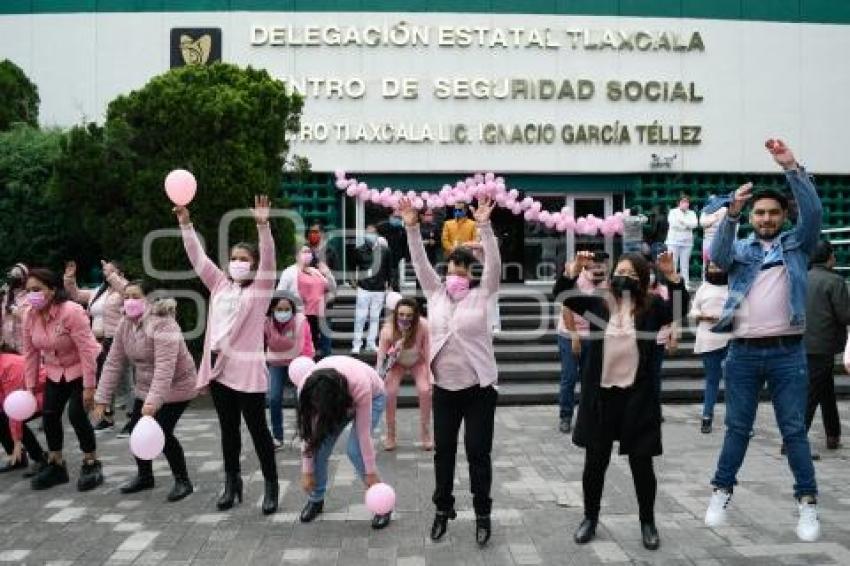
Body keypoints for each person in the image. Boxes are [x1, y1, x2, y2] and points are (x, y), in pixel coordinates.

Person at [704, 139, 822, 543]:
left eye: (773, 213)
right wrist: (731, 213)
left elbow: (815, 213)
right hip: (742, 355)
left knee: (794, 431)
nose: (767, 218)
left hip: (789, 353)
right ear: (752, 215)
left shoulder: (797, 244)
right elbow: (717, 255)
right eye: (760, 212)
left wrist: (791, 167)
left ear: (782, 216)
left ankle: (807, 504)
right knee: (738, 428)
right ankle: (721, 491)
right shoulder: (740, 248)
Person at [553, 250, 688, 551]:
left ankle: (647, 522)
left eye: (631, 274)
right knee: (594, 464)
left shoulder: (652, 307)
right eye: (620, 272)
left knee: (642, 465)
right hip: (601, 398)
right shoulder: (600, 304)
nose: (623, 278)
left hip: (637, 397)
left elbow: (679, 311)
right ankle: (590, 518)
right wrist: (571, 271)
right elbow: (563, 296)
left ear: (642, 280)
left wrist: (673, 278)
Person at [402, 195, 499, 547]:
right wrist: (412, 228)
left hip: (478, 391)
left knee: (477, 453)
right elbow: (419, 261)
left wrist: (485, 227)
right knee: (444, 453)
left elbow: (494, 266)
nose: (456, 275)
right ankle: (443, 510)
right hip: (444, 389)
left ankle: (483, 514)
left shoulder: (484, 294)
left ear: (472, 275)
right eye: (451, 270)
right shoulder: (435, 294)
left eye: (463, 270)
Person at [175, 195, 279, 515]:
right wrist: (185, 224)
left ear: (253, 263)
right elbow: (197, 257)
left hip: (246, 372)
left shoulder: (260, 289)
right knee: (228, 431)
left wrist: (263, 226)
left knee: (259, 432)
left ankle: (271, 486)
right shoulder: (219, 284)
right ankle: (232, 484)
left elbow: (270, 261)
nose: (237, 262)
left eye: (244, 258)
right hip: (219, 368)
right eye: (233, 257)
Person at [93, 280, 197, 502]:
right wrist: (101, 398)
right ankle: (145, 476)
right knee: (135, 429)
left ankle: (183, 481)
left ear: (150, 299)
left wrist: (153, 402)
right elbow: (113, 363)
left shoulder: (164, 324)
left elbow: (165, 367)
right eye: (126, 297)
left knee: (162, 431)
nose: (130, 301)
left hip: (177, 385)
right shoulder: (125, 324)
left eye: (135, 296)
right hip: (145, 386)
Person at [22, 268, 103, 491]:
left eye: (37, 289)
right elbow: (29, 353)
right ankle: (57, 464)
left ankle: (91, 462)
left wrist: (89, 387)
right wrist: (29, 387)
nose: (32, 295)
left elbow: (87, 351)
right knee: (49, 416)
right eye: (28, 291)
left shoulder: (71, 312)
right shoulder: (29, 315)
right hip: (54, 371)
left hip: (83, 367)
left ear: (53, 289)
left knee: (77, 414)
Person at [292, 355, 390, 529]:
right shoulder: (307, 390)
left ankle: (382, 502)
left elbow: (363, 434)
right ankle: (316, 500)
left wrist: (370, 471)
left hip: (372, 396)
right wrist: (307, 471)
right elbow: (309, 434)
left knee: (355, 450)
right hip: (334, 401)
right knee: (319, 449)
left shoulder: (360, 385)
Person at [64, 259, 131, 433]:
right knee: (104, 379)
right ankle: (107, 417)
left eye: (111, 271)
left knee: (123, 380)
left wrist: (112, 276)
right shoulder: (98, 292)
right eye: (105, 271)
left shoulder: (125, 291)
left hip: (117, 340)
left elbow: (126, 291)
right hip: (98, 341)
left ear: (120, 274)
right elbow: (77, 295)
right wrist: (70, 279)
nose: (106, 273)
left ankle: (134, 417)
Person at [802, 240, 849, 451]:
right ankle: (794, 440)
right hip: (824, 343)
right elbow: (845, 314)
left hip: (802, 342)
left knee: (825, 390)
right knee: (812, 393)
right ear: (829, 257)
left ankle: (833, 434)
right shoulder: (835, 280)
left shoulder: (801, 278)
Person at [554, 252, 607, 434]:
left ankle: (587, 416)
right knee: (569, 377)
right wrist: (574, 336)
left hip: (593, 336)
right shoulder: (577, 279)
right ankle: (566, 416)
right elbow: (567, 308)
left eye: (602, 265)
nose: (599, 268)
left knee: (590, 379)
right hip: (570, 334)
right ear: (586, 266)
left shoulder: (606, 284)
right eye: (595, 265)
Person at [377, 297, 431, 451]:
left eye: (409, 315)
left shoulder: (424, 326)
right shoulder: (388, 330)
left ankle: (426, 434)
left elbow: (428, 353)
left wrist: (431, 375)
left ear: (415, 315)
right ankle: (390, 434)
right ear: (395, 314)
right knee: (390, 392)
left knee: (425, 390)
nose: (404, 318)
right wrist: (395, 349)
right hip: (396, 364)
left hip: (417, 361)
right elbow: (382, 359)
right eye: (401, 314)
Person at [265, 292, 314, 449]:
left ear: (292, 309)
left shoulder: (300, 321)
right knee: (273, 397)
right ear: (273, 308)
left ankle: (305, 435)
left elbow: (305, 344)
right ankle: (277, 437)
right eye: (279, 309)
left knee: (301, 398)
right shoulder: (266, 322)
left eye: (287, 309)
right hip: (276, 361)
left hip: (298, 361)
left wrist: (306, 363)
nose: (283, 312)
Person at [689, 263, 731, 433]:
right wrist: (702, 316)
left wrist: (726, 317)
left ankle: (735, 420)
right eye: (712, 267)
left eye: (719, 267)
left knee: (733, 382)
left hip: (731, 338)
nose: (715, 270)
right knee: (712, 380)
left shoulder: (733, 285)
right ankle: (707, 417)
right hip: (708, 339)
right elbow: (693, 310)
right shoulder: (703, 288)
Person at [277, 244, 337, 360]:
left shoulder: (316, 271)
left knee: (316, 345)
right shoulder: (289, 272)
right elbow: (280, 293)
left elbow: (332, 287)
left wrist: (328, 273)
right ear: (296, 256)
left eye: (309, 252)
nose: (307, 254)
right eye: (304, 252)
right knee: (304, 347)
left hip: (319, 313)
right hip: (301, 315)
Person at [0, 352, 46, 476]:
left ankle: (40, 458)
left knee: (11, 420)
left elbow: (15, 406)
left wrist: (16, 440)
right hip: (22, 399)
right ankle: (17, 458)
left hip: (45, 394)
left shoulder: (9, 365)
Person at [351, 225, 391, 354]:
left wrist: (389, 284)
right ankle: (356, 344)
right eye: (367, 233)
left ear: (377, 234)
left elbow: (389, 269)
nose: (370, 235)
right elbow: (353, 266)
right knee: (360, 317)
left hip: (379, 288)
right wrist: (353, 280)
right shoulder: (359, 250)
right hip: (364, 287)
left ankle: (371, 343)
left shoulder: (385, 250)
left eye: (372, 233)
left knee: (375, 317)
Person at [306, 223, 338, 359]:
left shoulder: (330, 251)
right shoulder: (305, 251)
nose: (313, 234)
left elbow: (336, 274)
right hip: (309, 298)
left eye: (316, 232)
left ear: (322, 234)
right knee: (310, 329)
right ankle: (311, 356)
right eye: (311, 232)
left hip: (325, 297)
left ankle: (327, 358)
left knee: (325, 329)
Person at [665, 194, 698, 288]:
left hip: (687, 242)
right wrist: (687, 225)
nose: (685, 203)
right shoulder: (673, 212)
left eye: (687, 202)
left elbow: (694, 224)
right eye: (683, 201)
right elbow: (674, 224)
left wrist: (683, 222)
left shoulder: (692, 213)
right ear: (678, 203)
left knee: (685, 264)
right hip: (673, 241)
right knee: (673, 263)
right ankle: (673, 283)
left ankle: (685, 284)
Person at [376, 209, 410, 292]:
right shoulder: (382, 227)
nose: (397, 219)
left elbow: (405, 244)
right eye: (395, 217)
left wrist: (404, 256)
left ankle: (395, 292)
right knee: (382, 276)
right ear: (390, 216)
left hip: (395, 258)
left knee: (394, 277)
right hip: (382, 257)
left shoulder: (401, 230)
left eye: (399, 217)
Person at [1, 263, 29, 354]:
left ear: (24, 278)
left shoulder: (30, 296)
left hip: (24, 347)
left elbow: (33, 319)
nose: (13, 278)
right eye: (12, 275)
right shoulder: (6, 296)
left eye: (17, 275)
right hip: (7, 346)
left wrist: (15, 311)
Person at [699, 200, 727, 279]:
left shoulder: (724, 210)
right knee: (706, 262)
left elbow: (725, 224)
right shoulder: (705, 211)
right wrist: (715, 218)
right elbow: (703, 223)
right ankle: (705, 281)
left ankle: (721, 281)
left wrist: (711, 222)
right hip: (708, 240)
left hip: (721, 240)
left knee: (720, 262)